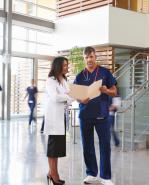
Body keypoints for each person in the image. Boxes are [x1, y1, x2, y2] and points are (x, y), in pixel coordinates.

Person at [74, 46, 117, 185]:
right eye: (86, 57)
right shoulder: (80, 76)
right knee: (87, 145)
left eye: (91, 57)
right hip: (85, 115)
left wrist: (106, 90)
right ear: (84, 59)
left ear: (95, 57)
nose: (89, 60)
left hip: (102, 115)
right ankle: (91, 174)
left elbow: (114, 91)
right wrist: (82, 99)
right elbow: (76, 95)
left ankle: (105, 176)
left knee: (105, 145)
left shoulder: (105, 72)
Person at [44, 56, 72, 185]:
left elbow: (69, 96)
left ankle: (52, 173)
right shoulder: (51, 80)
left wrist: (69, 96)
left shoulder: (64, 80)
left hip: (62, 119)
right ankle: (54, 175)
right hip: (54, 119)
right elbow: (55, 97)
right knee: (53, 149)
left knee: (58, 149)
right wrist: (68, 96)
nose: (67, 67)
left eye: (67, 65)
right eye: (64, 65)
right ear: (58, 66)